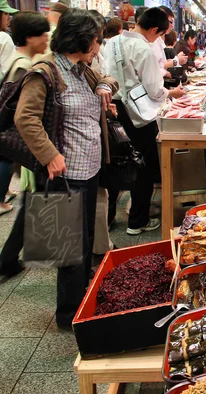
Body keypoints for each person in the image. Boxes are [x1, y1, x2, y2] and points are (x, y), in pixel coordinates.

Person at [11, 9, 118, 328]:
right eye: (96, 40)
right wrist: (49, 155)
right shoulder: (46, 71)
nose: (99, 46)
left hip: (88, 168)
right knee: (69, 247)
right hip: (65, 172)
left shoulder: (82, 68)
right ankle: (69, 314)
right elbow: (25, 118)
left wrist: (104, 89)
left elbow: (107, 80)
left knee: (84, 238)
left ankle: (82, 300)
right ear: (81, 39)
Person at [103, 7, 184, 235]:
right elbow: (154, 89)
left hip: (112, 108)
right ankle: (137, 221)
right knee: (143, 165)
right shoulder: (143, 48)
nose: (157, 39)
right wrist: (170, 94)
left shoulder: (112, 43)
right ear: (154, 29)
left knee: (118, 161)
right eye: (158, 34)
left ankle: (108, 220)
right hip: (136, 113)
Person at [0, 11, 50, 277]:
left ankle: (10, 257)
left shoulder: (20, 60)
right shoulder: (24, 67)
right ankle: (8, 258)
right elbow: (24, 117)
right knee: (33, 200)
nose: (46, 39)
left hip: (25, 149)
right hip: (28, 148)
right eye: (42, 34)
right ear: (30, 37)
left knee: (32, 201)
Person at [0, 0, 17, 216]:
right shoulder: (3, 38)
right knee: (4, 153)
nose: (8, 18)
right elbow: (7, 76)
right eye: (5, 14)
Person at [152, 6, 186, 79]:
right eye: (170, 22)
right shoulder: (153, 40)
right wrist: (176, 60)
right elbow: (155, 68)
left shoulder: (160, 40)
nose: (172, 26)